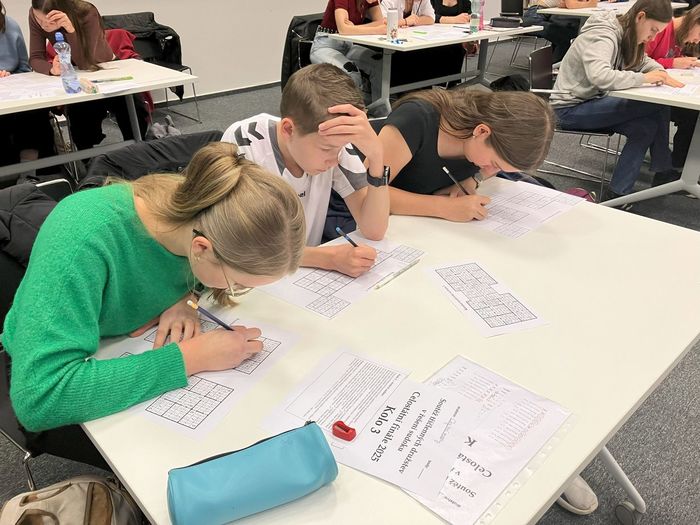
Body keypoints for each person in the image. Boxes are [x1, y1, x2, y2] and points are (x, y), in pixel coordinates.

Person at [2, 142, 306, 466]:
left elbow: (196, 272)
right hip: (54, 377)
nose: (235, 290)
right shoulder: (85, 236)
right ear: (201, 249)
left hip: (117, 347)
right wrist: (192, 357)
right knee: (195, 462)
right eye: (238, 284)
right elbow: (42, 397)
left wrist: (187, 298)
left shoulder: (204, 211)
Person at [222, 63, 390, 278]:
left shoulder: (333, 141)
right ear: (288, 129)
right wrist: (326, 258)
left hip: (300, 276)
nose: (335, 160)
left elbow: (374, 230)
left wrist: (376, 157)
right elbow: (241, 246)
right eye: (327, 149)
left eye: (340, 148)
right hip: (252, 277)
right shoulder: (244, 142)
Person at [550, 0, 683, 202]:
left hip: (594, 101)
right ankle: (663, 171)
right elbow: (600, 76)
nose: (653, 37)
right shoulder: (603, 34)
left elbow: (642, 61)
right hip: (570, 109)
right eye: (653, 30)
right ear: (640, 17)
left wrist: (659, 72)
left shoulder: (626, 33)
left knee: (645, 128)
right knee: (657, 104)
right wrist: (644, 78)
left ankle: (618, 194)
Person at [374, 89, 555, 222]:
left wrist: (474, 179)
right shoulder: (417, 119)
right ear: (482, 131)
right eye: (495, 163)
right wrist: (442, 207)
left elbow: (487, 171)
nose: (491, 170)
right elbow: (366, 191)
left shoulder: (481, 138)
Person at [28, 0, 149, 150]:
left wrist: (71, 31)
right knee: (80, 114)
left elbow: (87, 62)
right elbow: (35, 57)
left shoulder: (86, 12)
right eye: (39, 20)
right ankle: (88, 158)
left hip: (105, 67)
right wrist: (51, 69)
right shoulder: (35, 13)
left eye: (50, 21)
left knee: (132, 106)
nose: (43, 25)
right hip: (78, 74)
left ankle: (137, 150)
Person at [0, 0, 53, 171]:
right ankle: (9, 175)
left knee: (36, 110)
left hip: (11, 92)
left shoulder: (10, 25)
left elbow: (24, 68)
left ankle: (31, 171)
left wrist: (10, 78)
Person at [646, 4, 700, 171]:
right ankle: (674, 168)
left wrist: (684, 62)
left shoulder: (681, 35)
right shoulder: (660, 29)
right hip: (645, 94)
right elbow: (637, 62)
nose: (697, 41)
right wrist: (672, 63)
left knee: (694, 113)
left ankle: (681, 167)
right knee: (691, 114)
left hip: (662, 90)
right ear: (695, 21)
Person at [310, 0, 386, 109]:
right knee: (351, 73)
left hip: (348, 46)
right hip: (325, 46)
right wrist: (375, 30)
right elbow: (343, 29)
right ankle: (354, 113)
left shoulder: (370, 1)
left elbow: (381, 22)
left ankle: (379, 111)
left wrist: (354, 28)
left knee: (380, 65)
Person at [522, 0, 594, 63]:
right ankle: (552, 66)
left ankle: (553, 65)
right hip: (536, 12)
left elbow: (593, 3)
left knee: (569, 33)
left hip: (550, 14)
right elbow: (571, 4)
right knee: (566, 35)